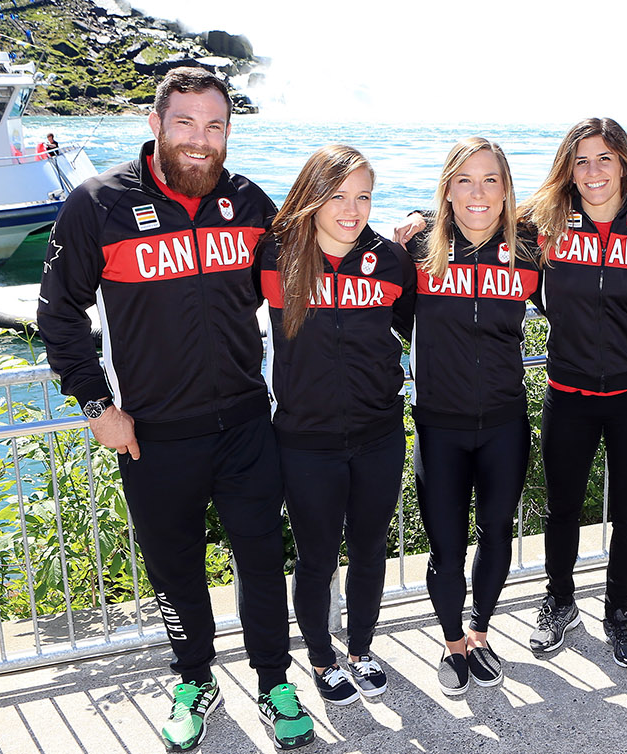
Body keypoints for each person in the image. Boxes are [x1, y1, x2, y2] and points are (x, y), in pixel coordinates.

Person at [36, 68, 315, 751]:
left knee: (260, 562)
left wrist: (411, 236)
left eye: (214, 126)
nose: (199, 140)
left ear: (228, 132)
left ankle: (274, 679)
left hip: (248, 425)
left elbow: (306, 272)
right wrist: (96, 404)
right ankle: (194, 677)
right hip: (155, 437)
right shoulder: (96, 204)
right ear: (155, 124)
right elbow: (58, 312)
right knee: (176, 569)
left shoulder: (249, 203)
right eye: (185, 123)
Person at [259, 145, 415, 706]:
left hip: (379, 433)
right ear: (312, 196)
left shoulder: (391, 261)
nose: (352, 210)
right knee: (317, 557)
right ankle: (323, 659)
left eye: (364, 197)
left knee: (371, 550)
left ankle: (362, 651)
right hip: (305, 440)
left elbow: (418, 323)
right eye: (338, 195)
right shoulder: (275, 257)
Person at [521, 118, 627, 668]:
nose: (593, 171)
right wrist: (416, 222)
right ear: (568, 168)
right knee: (562, 509)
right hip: (569, 387)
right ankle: (560, 601)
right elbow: (468, 220)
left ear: (625, 163)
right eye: (581, 160)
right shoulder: (544, 224)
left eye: (605, 158)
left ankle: (618, 611)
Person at [406, 137, 541, 696]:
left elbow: (591, 301)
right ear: (447, 190)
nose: (478, 192)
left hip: (505, 423)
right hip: (439, 425)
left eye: (490, 180)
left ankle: (481, 633)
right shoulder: (416, 253)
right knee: (446, 546)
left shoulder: (530, 251)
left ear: (507, 190)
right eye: (465, 180)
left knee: (497, 534)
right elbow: (373, 315)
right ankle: (452, 640)